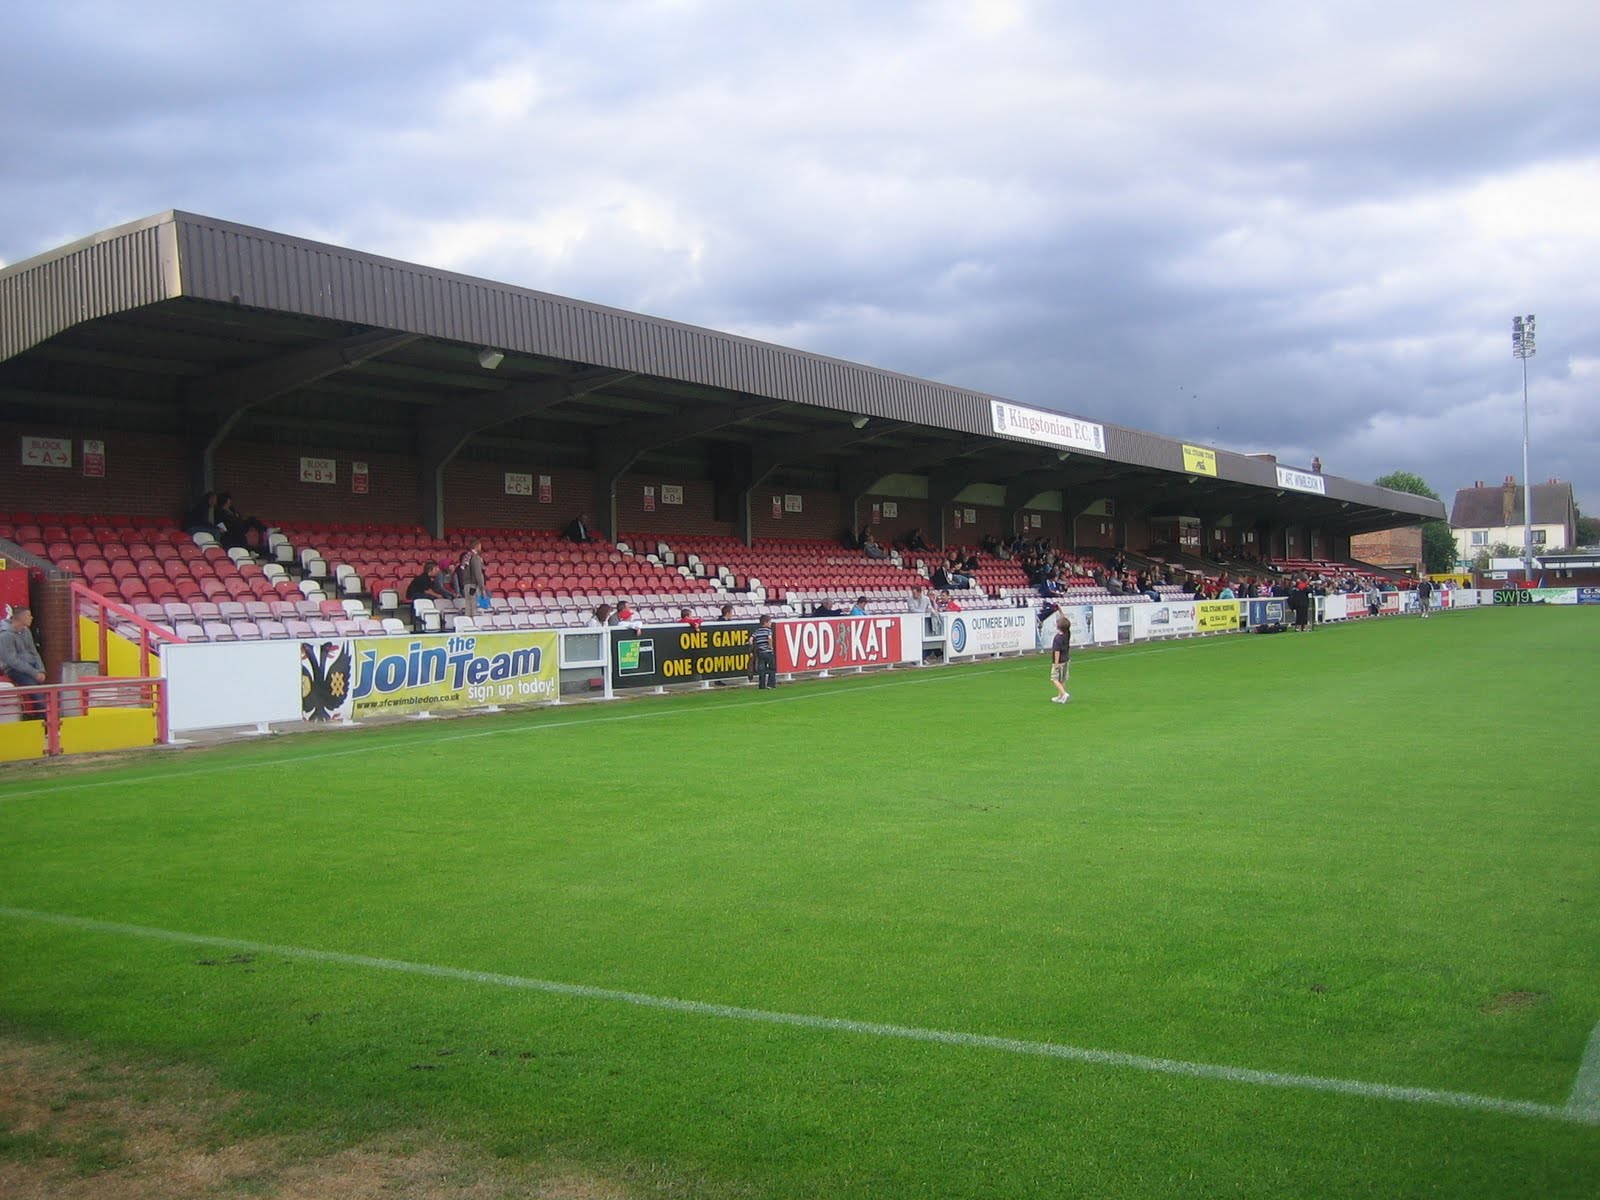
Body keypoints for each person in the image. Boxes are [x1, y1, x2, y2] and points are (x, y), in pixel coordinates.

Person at [0, 606, 46, 719]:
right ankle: (45, 719)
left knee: (42, 690)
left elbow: (34, 652)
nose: (31, 617)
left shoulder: (26, 632)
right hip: (14, 669)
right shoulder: (5, 635)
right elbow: (12, 660)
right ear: (20, 618)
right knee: (37, 691)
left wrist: (41, 670)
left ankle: (41, 717)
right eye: (28, 615)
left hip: (31, 668)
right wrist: (34, 673)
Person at [1048, 613, 1071, 704]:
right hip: (1066, 660)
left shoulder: (1057, 638)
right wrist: (1060, 610)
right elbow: (1064, 618)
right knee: (1062, 679)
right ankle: (1060, 697)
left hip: (1059, 661)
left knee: (1054, 679)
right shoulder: (1067, 633)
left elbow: (1057, 651)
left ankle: (1064, 694)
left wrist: (1056, 663)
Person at [751, 613, 777, 689]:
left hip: (760, 652)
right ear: (766, 622)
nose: (771, 623)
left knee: (762, 669)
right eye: (770, 622)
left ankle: (762, 685)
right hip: (768, 651)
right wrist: (771, 647)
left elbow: (751, 639)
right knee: (772, 668)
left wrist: (752, 646)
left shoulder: (757, 631)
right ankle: (771, 684)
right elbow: (769, 638)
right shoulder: (768, 630)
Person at [458, 540, 487, 607]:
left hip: (466, 584)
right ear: (477, 546)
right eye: (480, 546)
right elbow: (478, 573)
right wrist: (482, 588)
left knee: (469, 607)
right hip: (473, 585)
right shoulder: (475, 557)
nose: (481, 548)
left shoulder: (467, 556)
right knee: (474, 607)